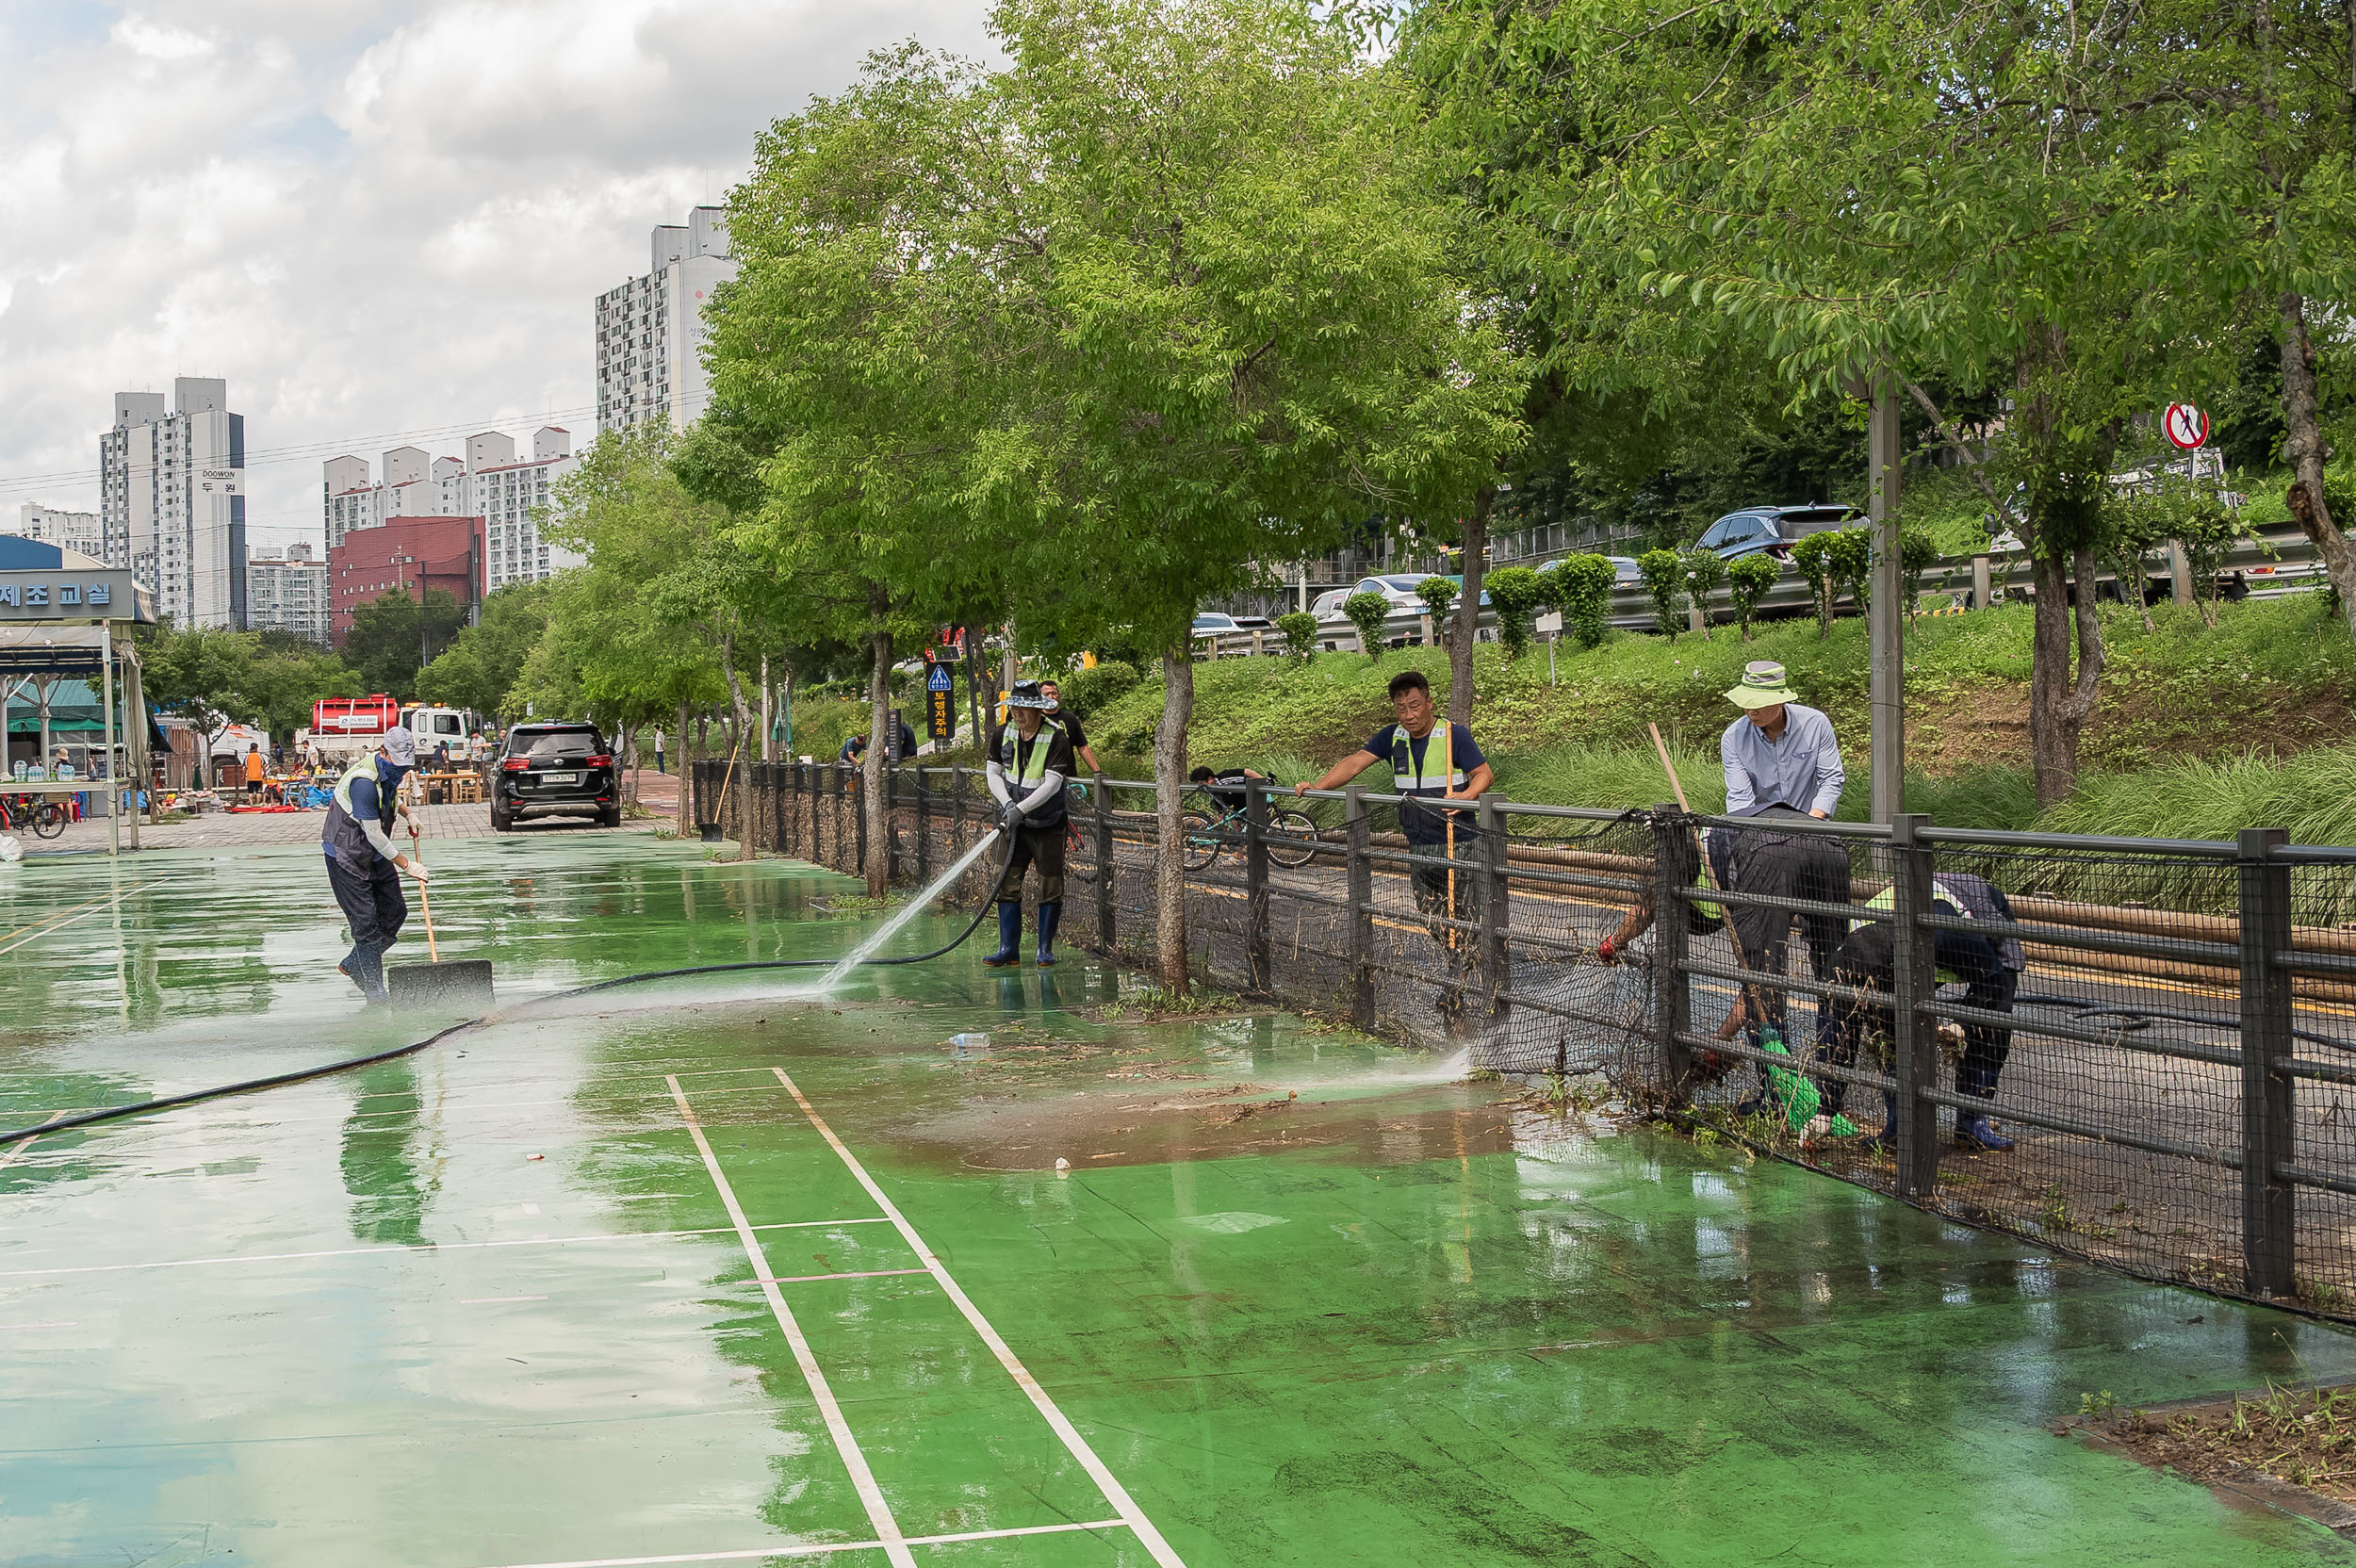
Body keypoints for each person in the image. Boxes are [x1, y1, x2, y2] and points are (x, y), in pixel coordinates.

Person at [1294, 670, 1492, 1014]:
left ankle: (1459, 980)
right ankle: (1461, 964)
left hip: (1457, 841)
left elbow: (1484, 773)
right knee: (1432, 915)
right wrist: (1321, 786)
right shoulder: (1393, 737)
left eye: (1415, 706)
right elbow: (1356, 762)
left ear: (1429, 702)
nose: (1410, 715)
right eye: (1402, 708)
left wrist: (1466, 795)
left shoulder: (1453, 736)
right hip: (1419, 844)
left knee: (1465, 914)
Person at [1706, 661, 1853, 1100]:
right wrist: (1772, 834)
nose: (1751, 711)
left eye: (1759, 704)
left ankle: (1831, 1086)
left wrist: (1808, 824)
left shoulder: (1816, 724)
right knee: (1763, 960)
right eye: (1745, 704)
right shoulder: (1734, 737)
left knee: (1833, 961)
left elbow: (1831, 779)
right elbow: (1740, 801)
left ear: (1781, 700)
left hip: (1815, 835)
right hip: (1762, 845)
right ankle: (1776, 1085)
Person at [322, 725, 428, 1004]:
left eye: (407, 765)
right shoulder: (363, 782)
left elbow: (389, 796)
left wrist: (408, 814)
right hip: (346, 854)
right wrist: (407, 865)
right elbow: (373, 833)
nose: (402, 770)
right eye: (398, 763)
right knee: (366, 925)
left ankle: (356, 963)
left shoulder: (391, 771)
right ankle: (375, 992)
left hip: (375, 853)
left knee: (396, 912)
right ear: (383, 753)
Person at [984, 680, 1077, 967]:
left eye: (1023, 708)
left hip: (1047, 824)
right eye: (1013, 707)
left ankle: (1044, 950)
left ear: (1038, 710)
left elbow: (1051, 784)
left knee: (1050, 885)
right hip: (1012, 825)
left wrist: (1021, 808)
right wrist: (1008, 806)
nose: (1017, 713)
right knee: (1005, 882)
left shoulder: (1057, 738)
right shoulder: (1003, 734)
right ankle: (1008, 949)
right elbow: (993, 772)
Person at [1039, 680, 1103, 775]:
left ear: (1059, 696)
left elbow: (1082, 747)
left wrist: (1097, 772)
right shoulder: (1035, 719)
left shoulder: (1070, 719)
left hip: (1068, 776)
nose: (1050, 697)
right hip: (1041, 777)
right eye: (1046, 694)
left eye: (1054, 693)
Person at [1189, 763, 1268, 813]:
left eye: (1202, 783)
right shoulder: (1212, 789)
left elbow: (1247, 771)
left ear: (1210, 779)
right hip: (1238, 799)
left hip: (1247, 796)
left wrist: (1263, 780)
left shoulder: (1226, 777)